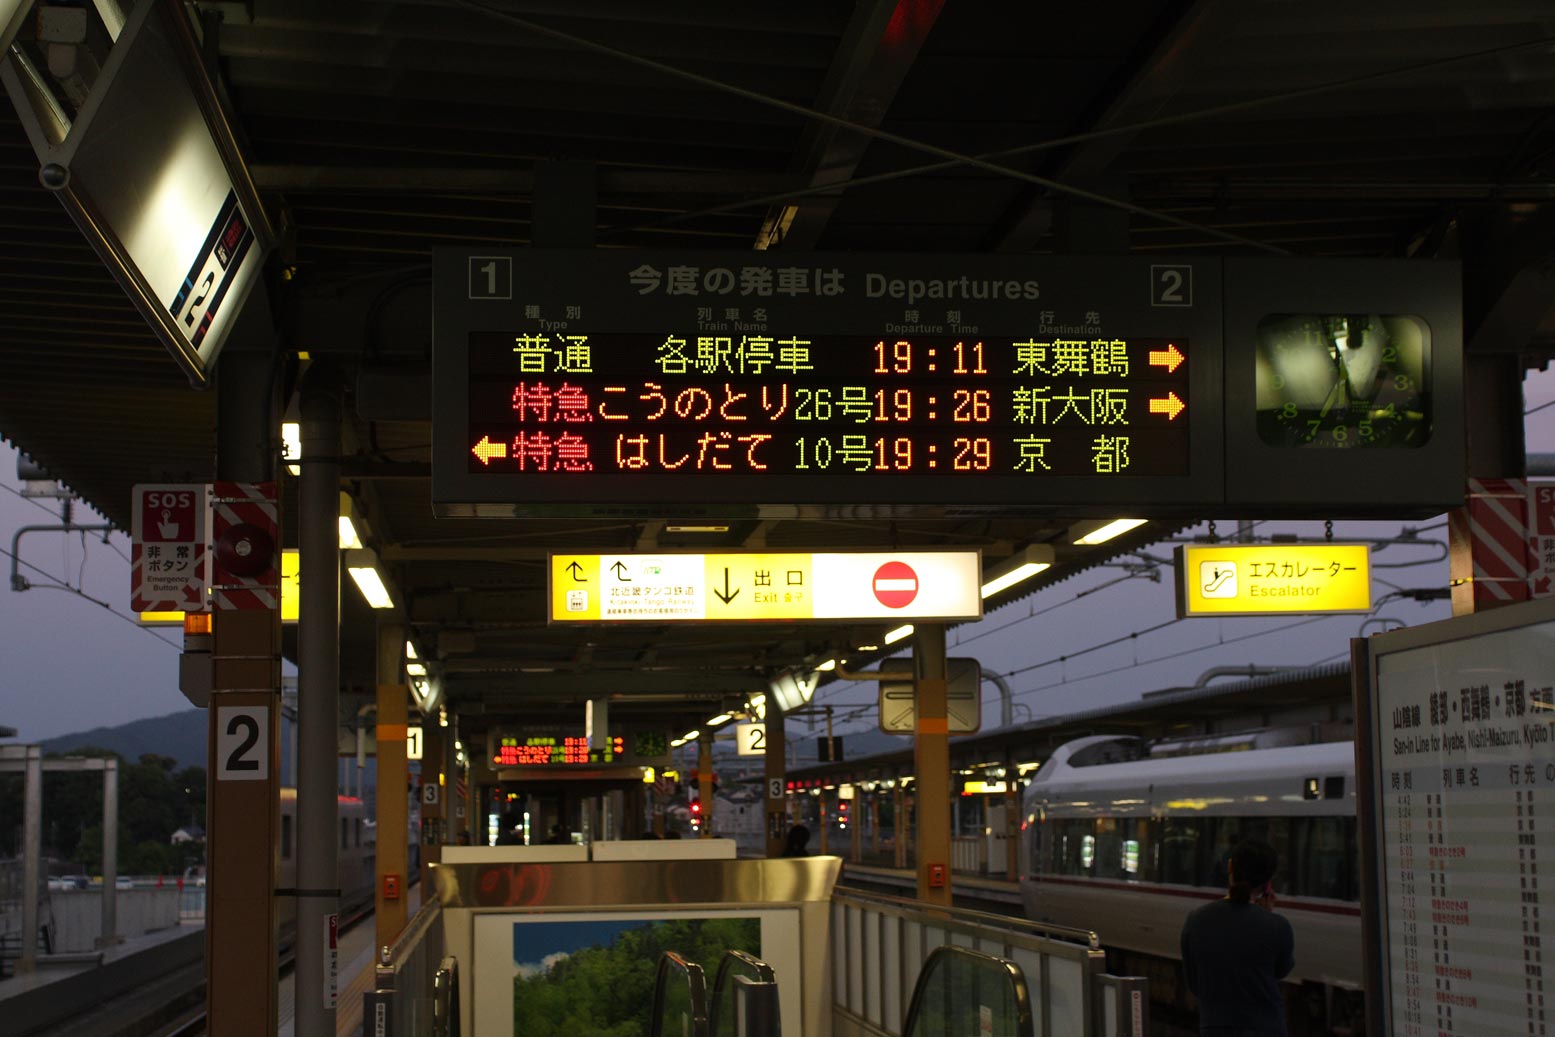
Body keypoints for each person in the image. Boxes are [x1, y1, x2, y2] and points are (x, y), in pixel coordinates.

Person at [1179, 839, 1295, 1036]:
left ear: (1230, 867)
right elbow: (1281, 970)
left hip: (1215, 1028)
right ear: (1268, 882)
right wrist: (1266, 914)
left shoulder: (1196, 920)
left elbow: (1194, 982)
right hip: (1266, 1028)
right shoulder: (1278, 926)